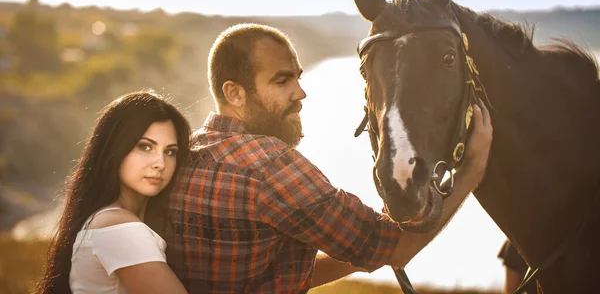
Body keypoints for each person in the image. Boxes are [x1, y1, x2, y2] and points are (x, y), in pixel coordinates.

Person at [166, 24, 493, 293]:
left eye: (298, 76)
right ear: (234, 93)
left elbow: (274, 277)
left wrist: (359, 247)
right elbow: (396, 248)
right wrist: (471, 171)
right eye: (281, 80)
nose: (300, 92)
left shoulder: (184, 153)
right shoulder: (271, 165)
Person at [37, 90, 191, 294]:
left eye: (170, 151)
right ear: (116, 148)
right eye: (145, 147)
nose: (160, 163)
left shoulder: (105, 220)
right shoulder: (120, 229)